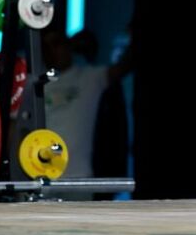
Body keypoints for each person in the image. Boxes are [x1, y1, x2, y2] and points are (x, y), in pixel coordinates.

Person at [41, 26, 132, 196]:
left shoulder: (91, 78)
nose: (52, 51)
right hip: (41, 178)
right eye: (46, 47)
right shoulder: (35, 83)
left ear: (68, 46)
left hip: (79, 179)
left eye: (57, 44)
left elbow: (124, 66)